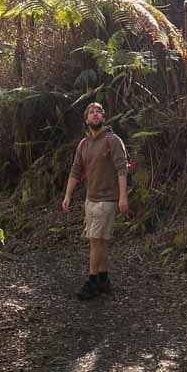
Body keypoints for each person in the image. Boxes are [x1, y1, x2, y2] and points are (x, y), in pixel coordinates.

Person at [62, 102, 128, 300]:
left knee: (95, 242)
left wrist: (123, 196)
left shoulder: (112, 140)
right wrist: (68, 195)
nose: (95, 114)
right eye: (91, 112)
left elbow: (122, 168)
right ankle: (103, 280)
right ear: (86, 118)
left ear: (103, 117)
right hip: (90, 200)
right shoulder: (83, 144)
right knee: (101, 242)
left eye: (99, 111)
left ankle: (91, 281)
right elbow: (75, 170)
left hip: (107, 200)